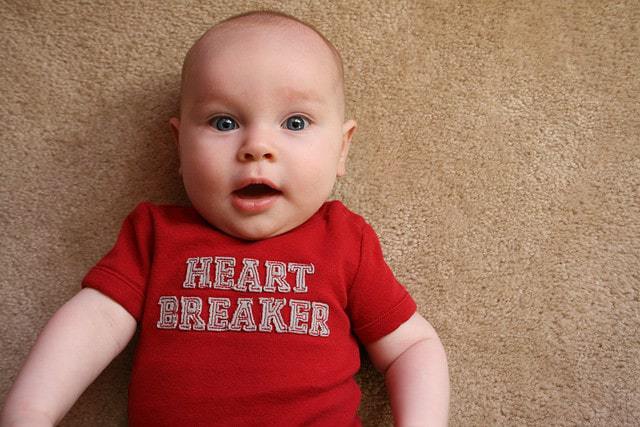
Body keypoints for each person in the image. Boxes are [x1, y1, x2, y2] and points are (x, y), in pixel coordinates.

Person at [1, 10, 449, 427]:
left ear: (342, 149)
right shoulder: (157, 234)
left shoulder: (345, 240)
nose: (257, 146)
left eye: (295, 123)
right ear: (180, 147)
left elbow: (411, 345)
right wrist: (31, 410)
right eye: (223, 122)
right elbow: (94, 321)